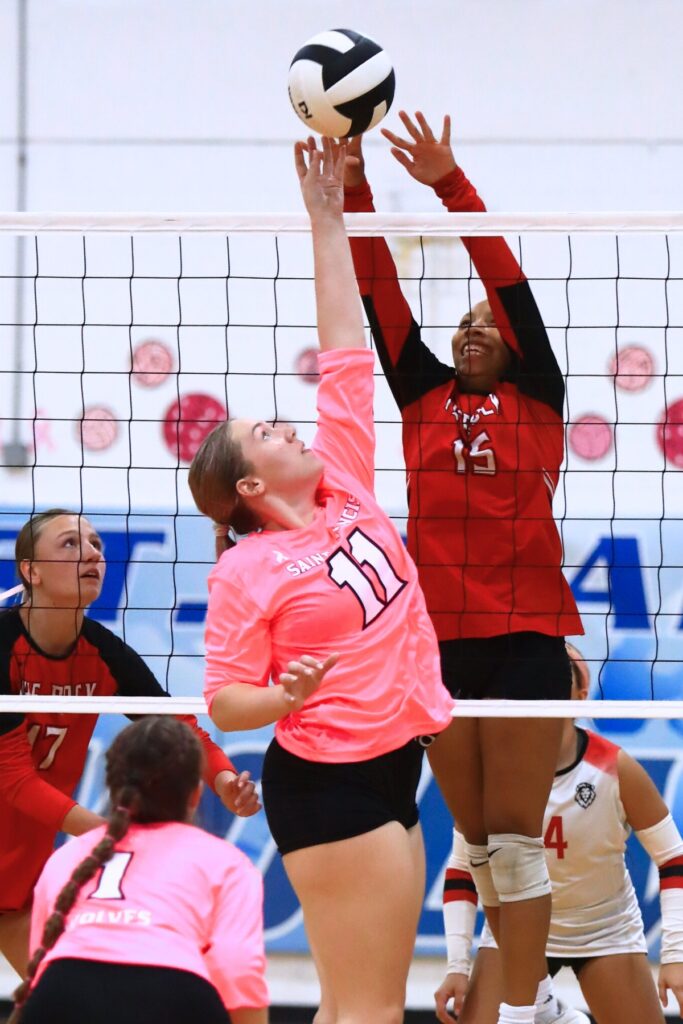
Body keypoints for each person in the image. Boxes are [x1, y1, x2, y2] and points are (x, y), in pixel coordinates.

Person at [188, 136, 455, 1024]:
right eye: (269, 432)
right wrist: (285, 693)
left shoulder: (343, 481)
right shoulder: (248, 569)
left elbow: (345, 349)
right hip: (329, 780)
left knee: (352, 1007)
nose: (292, 428)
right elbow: (224, 703)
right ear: (251, 488)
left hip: (389, 765)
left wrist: (327, 218)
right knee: (373, 1011)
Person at [343, 111, 584, 1024]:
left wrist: (451, 184)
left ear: (518, 345)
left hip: (526, 638)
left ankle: (524, 1011)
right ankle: (521, 990)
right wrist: (357, 190)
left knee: (518, 845)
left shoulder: (539, 396)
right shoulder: (419, 390)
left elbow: (505, 277)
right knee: (476, 842)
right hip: (436, 643)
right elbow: (376, 290)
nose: (476, 324)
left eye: (491, 323)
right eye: (466, 321)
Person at [0, 509, 260, 978]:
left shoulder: (104, 653)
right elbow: (13, 778)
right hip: (16, 852)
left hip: (18, 878)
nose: (92, 553)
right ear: (30, 571)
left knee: (66, 1008)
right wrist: (110, 834)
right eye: (70, 544)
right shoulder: (2, 645)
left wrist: (222, 779)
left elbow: (179, 727)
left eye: (96, 544)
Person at [434, 646, 683, 1024]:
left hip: (604, 931)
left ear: (580, 694)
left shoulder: (616, 768)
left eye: (559, 669)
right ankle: (550, 1011)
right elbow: (461, 868)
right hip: (511, 930)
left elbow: (673, 858)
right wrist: (456, 965)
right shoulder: (496, 778)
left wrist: (677, 955)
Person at [9, 715, 268, 1024]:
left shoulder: (70, 855)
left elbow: (43, 956)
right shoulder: (226, 861)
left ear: (112, 789)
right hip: (171, 991)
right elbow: (236, 967)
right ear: (195, 796)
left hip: (59, 994)